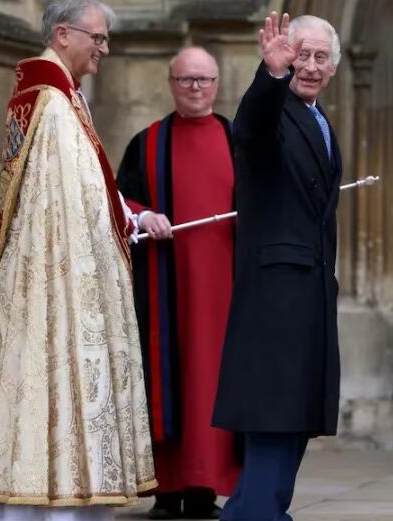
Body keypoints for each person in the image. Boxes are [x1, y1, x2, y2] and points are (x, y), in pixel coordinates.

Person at [0, 1, 157, 520]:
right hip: (58, 282)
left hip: (65, 276)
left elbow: (92, 186)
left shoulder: (65, 96)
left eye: (107, 39)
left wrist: (130, 220)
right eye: (98, 37)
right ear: (64, 34)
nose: (105, 49)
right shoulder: (49, 101)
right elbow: (60, 205)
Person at [211, 12, 343, 521]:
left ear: (333, 67)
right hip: (276, 293)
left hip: (308, 291)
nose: (308, 66)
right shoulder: (276, 108)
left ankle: (252, 511)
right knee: (274, 415)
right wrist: (270, 76)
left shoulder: (319, 117)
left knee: (293, 419)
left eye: (319, 57)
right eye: (300, 55)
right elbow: (251, 132)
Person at [117, 46, 240, 520]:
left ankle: (205, 490)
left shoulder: (238, 140)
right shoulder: (146, 144)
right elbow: (117, 200)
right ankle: (166, 491)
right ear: (171, 83)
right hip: (163, 291)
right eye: (186, 80)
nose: (195, 88)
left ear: (217, 84)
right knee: (165, 380)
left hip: (225, 292)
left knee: (213, 382)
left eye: (204, 80)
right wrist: (145, 215)